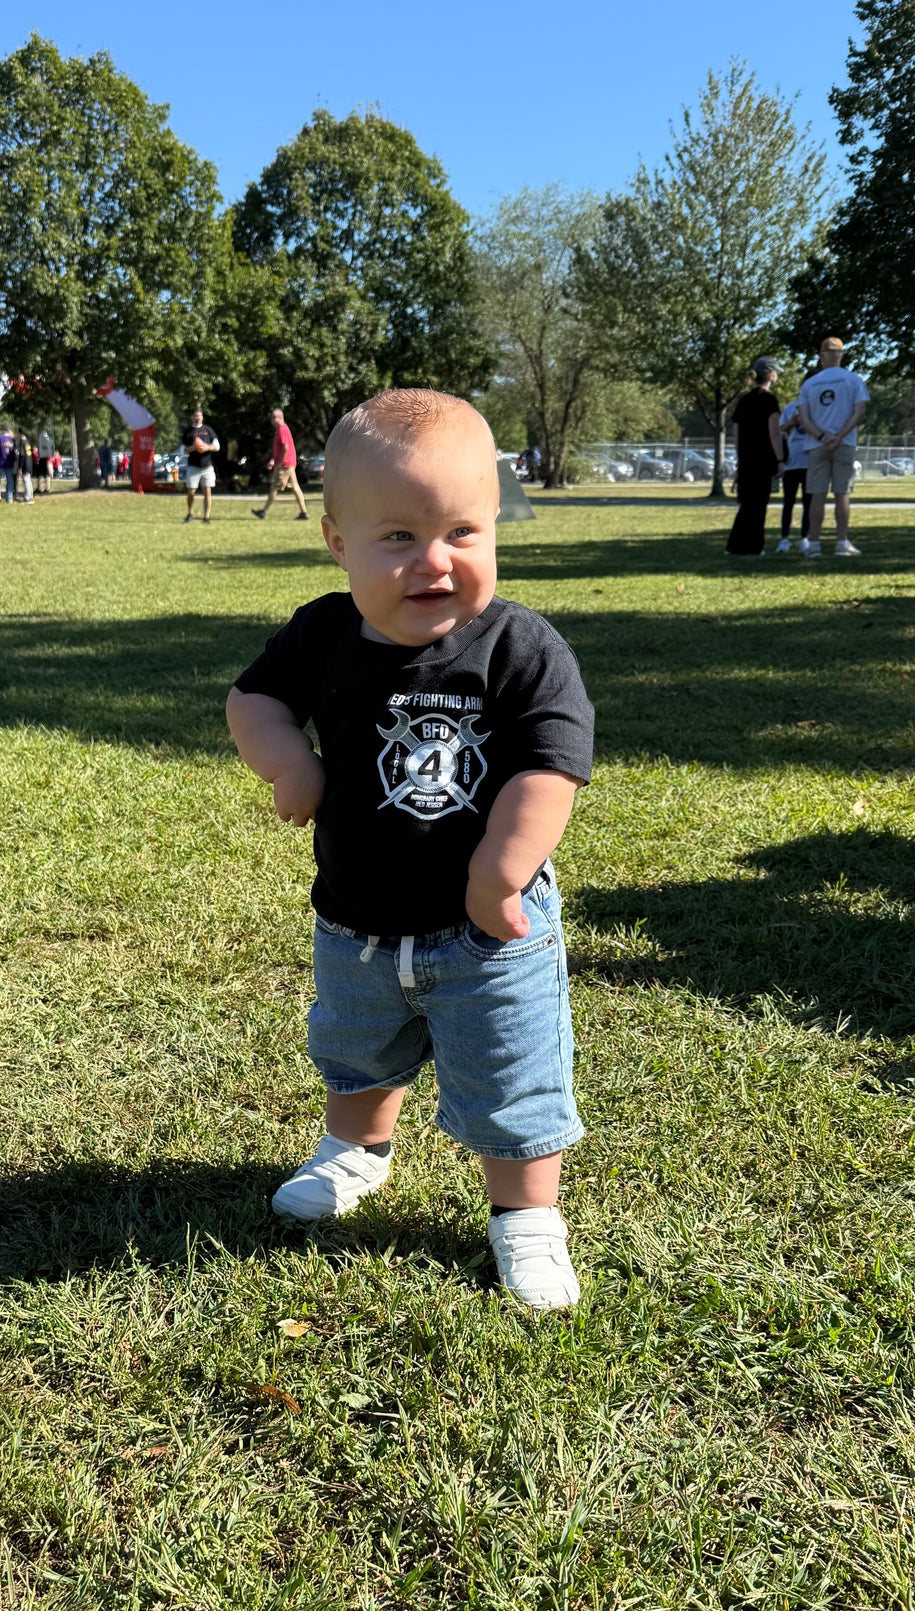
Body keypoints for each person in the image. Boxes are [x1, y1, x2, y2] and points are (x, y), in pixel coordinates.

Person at [225, 388, 594, 1311]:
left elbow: (550, 763)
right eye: (398, 537)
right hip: (355, 920)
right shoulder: (320, 635)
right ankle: (354, 1151)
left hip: (487, 932)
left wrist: (499, 869)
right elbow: (253, 700)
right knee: (355, 1052)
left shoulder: (518, 645)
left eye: (463, 532)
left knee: (513, 1073)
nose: (435, 562)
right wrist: (288, 768)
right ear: (337, 542)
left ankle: (525, 1218)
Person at [797, 337, 869, 558]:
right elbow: (859, 411)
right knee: (842, 494)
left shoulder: (810, 384)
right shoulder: (854, 380)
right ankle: (841, 542)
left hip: (817, 445)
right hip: (844, 443)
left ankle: (815, 544)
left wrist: (821, 436)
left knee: (817, 496)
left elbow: (803, 417)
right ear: (841, 354)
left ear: (821, 356)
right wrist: (838, 436)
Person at [725, 357, 783, 556]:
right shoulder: (770, 401)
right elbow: (774, 434)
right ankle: (754, 546)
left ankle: (736, 545)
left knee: (746, 504)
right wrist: (781, 460)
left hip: (747, 459)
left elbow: (736, 434)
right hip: (764, 459)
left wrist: (740, 461)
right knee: (758, 506)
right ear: (771, 375)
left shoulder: (743, 401)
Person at [251, 407, 310, 521]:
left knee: (274, 487)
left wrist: (279, 463)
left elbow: (285, 448)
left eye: (274, 418)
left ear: (280, 418)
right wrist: (273, 460)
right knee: (295, 487)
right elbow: (279, 449)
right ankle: (304, 512)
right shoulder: (280, 430)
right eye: (271, 418)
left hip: (285, 465)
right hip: (288, 463)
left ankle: (263, 512)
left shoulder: (282, 429)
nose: (272, 420)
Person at [775, 386, 812, 553]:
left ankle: (805, 538)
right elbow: (778, 430)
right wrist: (792, 421)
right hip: (792, 463)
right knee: (788, 502)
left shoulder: (817, 407)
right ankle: (784, 539)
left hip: (810, 462)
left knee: (808, 503)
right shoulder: (791, 407)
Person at [181, 408, 219, 523]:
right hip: (193, 466)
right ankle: (190, 512)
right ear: (192, 417)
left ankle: (206, 517)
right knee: (191, 492)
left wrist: (206, 447)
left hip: (207, 466)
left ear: (202, 417)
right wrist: (194, 447)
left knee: (207, 492)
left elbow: (217, 446)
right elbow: (183, 450)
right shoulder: (188, 431)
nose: (198, 418)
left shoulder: (208, 430)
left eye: (200, 416)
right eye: (196, 416)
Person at [0, 424, 18, 502]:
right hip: (9, 462)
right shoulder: (12, 440)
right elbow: (14, 452)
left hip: (0, 461)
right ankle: (9, 498)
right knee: (9, 480)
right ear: (9, 432)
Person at [36, 426, 54, 494]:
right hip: (47, 458)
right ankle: (47, 488)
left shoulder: (40, 439)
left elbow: (39, 448)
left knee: (41, 474)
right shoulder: (49, 440)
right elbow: (51, 449)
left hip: (42, 458)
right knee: (47, 475)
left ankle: (39, 488)